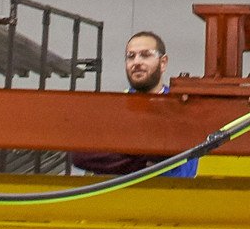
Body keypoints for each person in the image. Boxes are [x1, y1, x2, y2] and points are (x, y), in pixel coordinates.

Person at [72, 28, 199, 178]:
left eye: (145, 55)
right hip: (120, 198)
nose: (137, 62)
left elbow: (180, 163)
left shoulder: (182, 107)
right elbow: (81, 157)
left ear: (163, 62)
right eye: (131, 56)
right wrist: (145, 161)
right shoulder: (113, 109)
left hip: (171, 196)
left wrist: (122, 156)